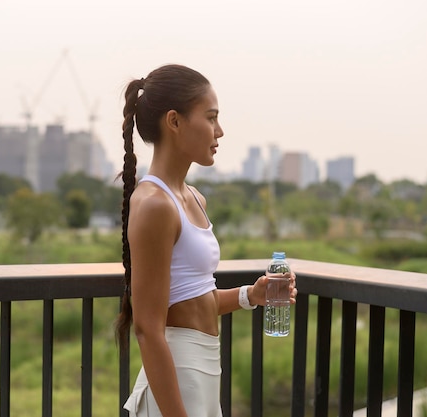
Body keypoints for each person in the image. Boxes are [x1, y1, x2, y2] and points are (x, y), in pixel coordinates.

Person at [115, 64, 297, 417]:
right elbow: (148, 328)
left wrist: (251, 296)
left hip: (203, 369)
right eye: (211, 117)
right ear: (175, 121)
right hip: (177, 374)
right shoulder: (155, 204)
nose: (220, 131)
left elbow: (194, 297)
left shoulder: (195, 198)